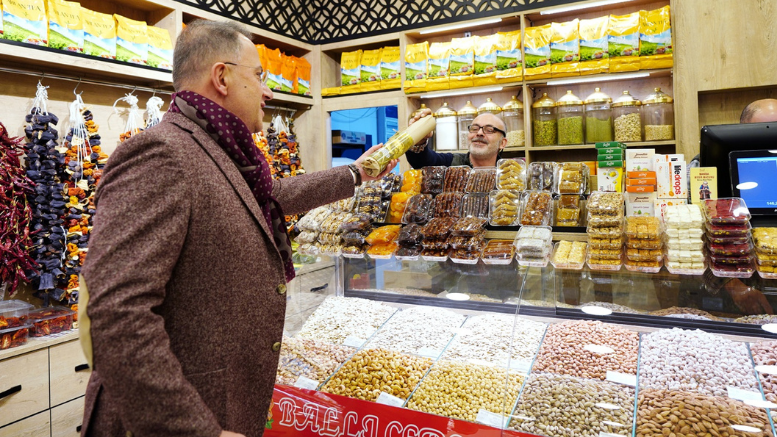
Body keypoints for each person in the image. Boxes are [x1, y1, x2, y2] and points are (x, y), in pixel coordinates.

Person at [78, 20, 396, 437]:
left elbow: (264, 199)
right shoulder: (162, 152)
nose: (267, 91)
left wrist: (355, 174)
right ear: (222, 77)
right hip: (179, 415)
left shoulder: (215, 149)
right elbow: (116, 312)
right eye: (259, 76)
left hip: (224, 401)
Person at [689, 98, 777, 316]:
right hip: (739, 290)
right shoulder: (704, 169)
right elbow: (697, 235)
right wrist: (735, 286)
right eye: (764, 129)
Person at [405, 107, 507, 168]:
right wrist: (419, 138)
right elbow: (422, 161)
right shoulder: (451, 163)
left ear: (503, 143)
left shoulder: (511, 174)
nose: (479, 133)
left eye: (489, 130)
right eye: (474, 128)